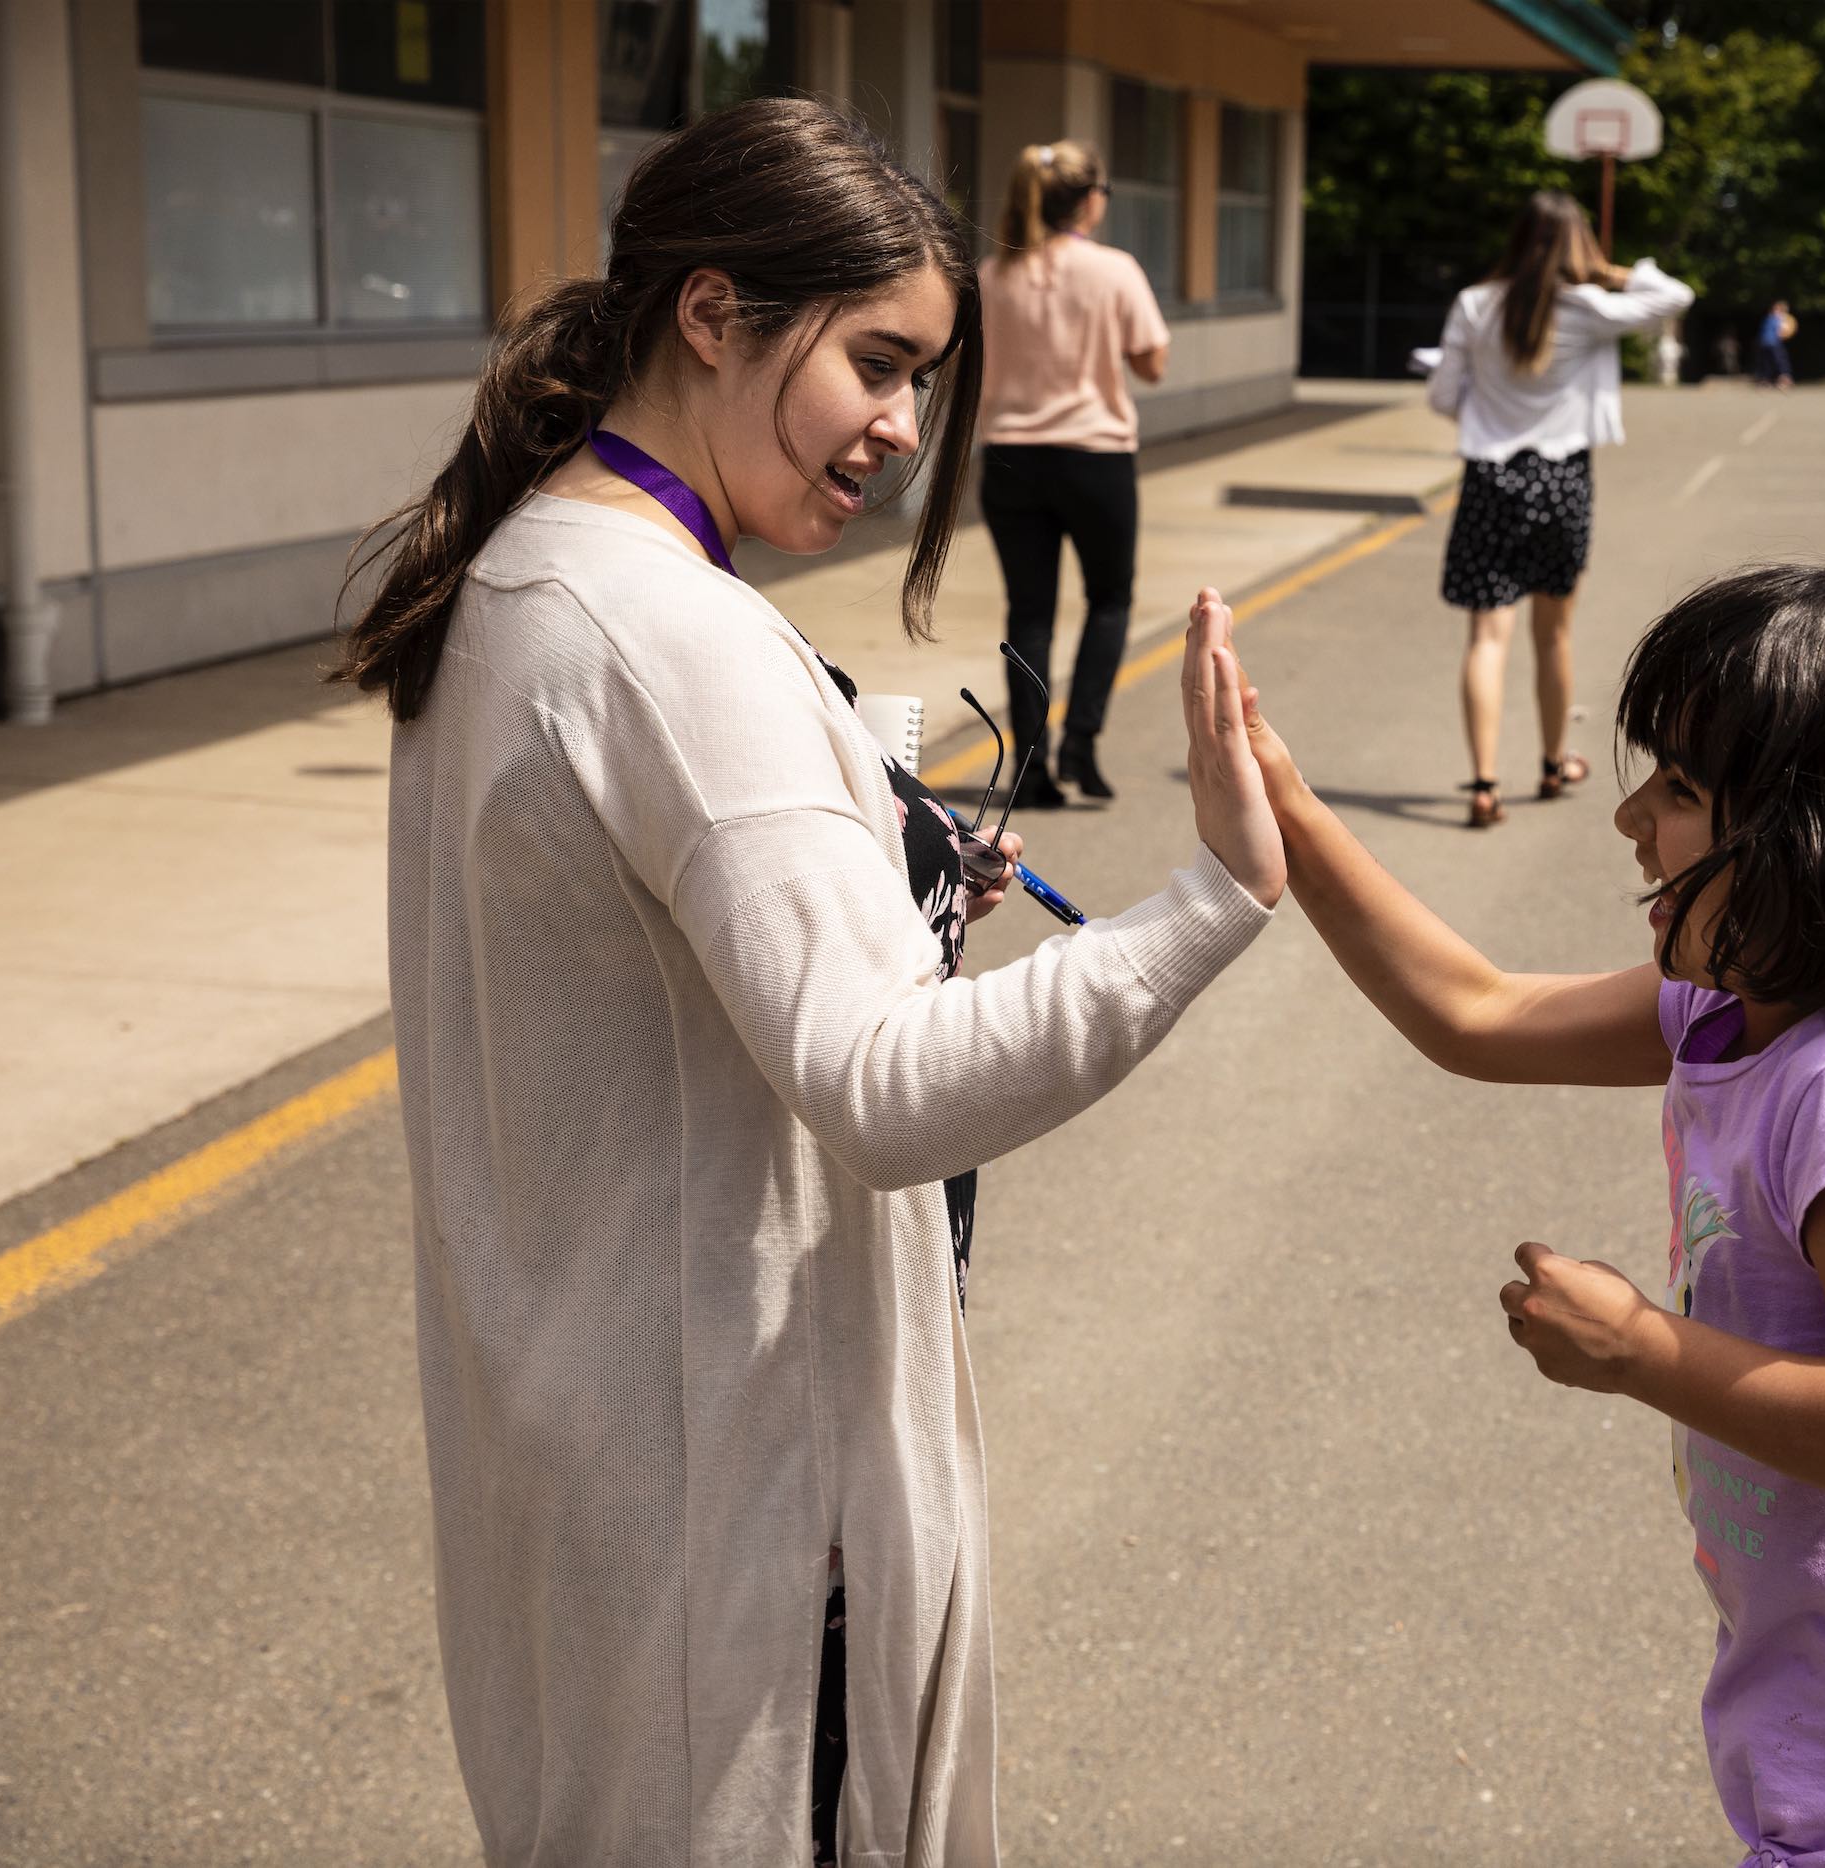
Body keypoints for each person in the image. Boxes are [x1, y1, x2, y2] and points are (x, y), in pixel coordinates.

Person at [332, 98, 1284, 1866]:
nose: (902, 430)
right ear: (711, 314)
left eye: (924, 381)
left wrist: (890, 904)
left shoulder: (525, 568)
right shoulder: (676, 633)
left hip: (603, 1460)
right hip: (743, 1516)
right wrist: (1211, 898)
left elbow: (646, 992)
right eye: (874, 361)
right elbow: (885, 1086)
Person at [1235, 553, 1825, 1868]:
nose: (1629, 823)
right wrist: (1287, 810)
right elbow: (1476, 1014)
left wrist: (1640, 1351)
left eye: (1678, 793)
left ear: (1815, 846)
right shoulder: (1737, 1016)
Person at [1425, 190, 1691, 828]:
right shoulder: (1591, 307)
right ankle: (1551, 763)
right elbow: (1674, 296)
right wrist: (1612, 272)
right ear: (1580, 247)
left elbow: (1441, 395)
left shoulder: (1473, 304)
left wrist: (1483, 402)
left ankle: (1484, 784)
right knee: (1555, 635)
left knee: (1487, 638)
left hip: (1490, 478)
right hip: (1563, 482)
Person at [978, 139, 1171, 808]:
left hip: (1009, 457)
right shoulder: (1114, 270)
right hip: (1095, 456)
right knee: (1109, 599)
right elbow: (1152, 363)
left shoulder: (992, 274)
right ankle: (1081, 745)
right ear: (1090, 201)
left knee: (1029, 611)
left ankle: (1030, 769)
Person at [1756, 298, 1797, 388]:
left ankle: (1785, 379)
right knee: (1766, 362)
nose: (1775, 310)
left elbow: (1785, 331)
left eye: (1778, 308)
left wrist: (1782, 333)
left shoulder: (1783, 319)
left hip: (1775, 343)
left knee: (1780, 361)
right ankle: (1766, 380)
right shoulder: (1769, 318)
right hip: (1765, 343)